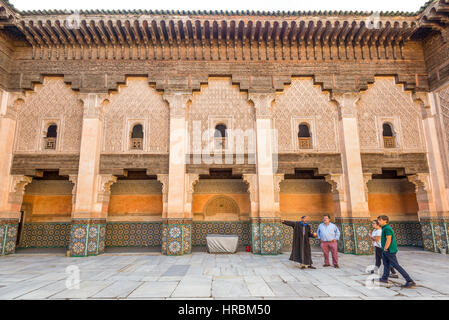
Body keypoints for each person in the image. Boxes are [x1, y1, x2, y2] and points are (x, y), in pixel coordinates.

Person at [377, 215, 416, 288]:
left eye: (380, 220)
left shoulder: (387, 228)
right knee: (386, 264)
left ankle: (409, 281)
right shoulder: (384, 228)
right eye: (378, 220)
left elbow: (389, 239)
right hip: (386, 249)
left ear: (385, 221)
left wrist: (385, 248)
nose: (378, 221)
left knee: (396, 265)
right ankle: (384, 278)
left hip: (389, 250)